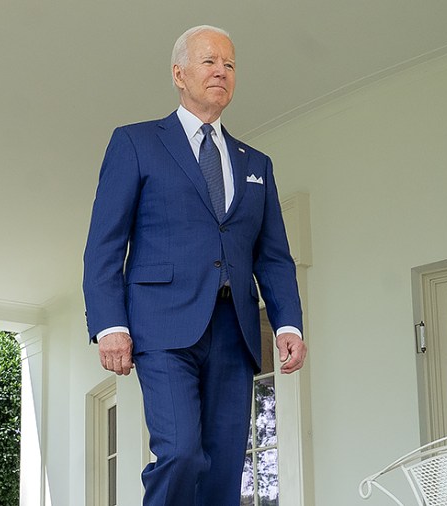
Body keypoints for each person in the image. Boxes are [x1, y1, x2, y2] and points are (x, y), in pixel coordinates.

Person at [82, 24, 307, 506]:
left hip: (235, 330)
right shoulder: (136, 143)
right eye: (209, 62)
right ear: (179, 74)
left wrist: (288, 322)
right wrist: (109, 325)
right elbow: (104, 243)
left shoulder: (256, 163)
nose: (221, 72)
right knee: (182, 452)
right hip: (161, 327)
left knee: (225, 468)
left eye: (229, 64)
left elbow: (273, 256)